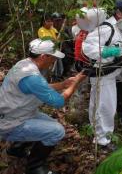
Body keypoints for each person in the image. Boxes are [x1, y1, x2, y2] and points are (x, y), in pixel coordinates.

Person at [0, 39, 86, 174]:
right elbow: (58, 102)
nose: (53, 61)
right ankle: (35, 166)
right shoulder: (32, 77)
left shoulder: (24, 64)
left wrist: (63, 84)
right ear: (43, 56)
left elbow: (39, 88)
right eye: (52, 57)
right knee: (57, 131)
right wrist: (75, 83)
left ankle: (17, 148)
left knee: (50, 123)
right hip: (10, 122)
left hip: (14, 112)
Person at [82, 0, 122, 147]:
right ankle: (102, 141)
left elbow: (118, 47)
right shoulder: (107, 27)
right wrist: (114, 52)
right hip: (103, 73)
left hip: (110, 74)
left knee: (100, 105)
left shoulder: (120, 29)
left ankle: (97, 134)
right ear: (119, 13)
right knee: (105, 107)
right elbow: (88, 47)